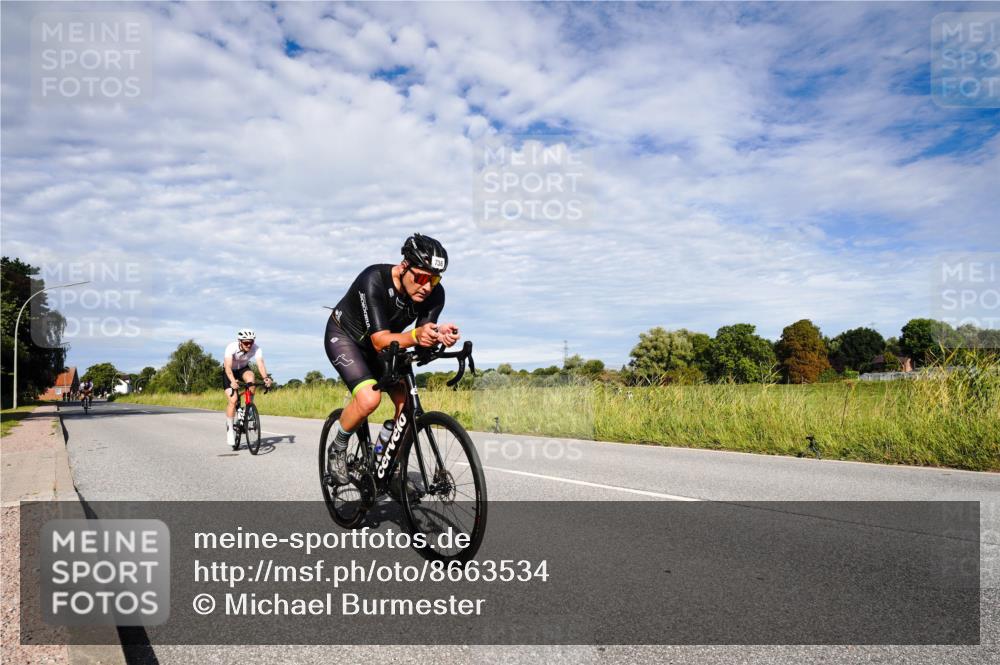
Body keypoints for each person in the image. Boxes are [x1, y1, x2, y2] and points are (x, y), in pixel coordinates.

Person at [324, 233, 460, 483]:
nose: (427, 286)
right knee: (368, 399)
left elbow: (421, 334)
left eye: (435, 279)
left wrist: (437, 335)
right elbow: (379, 339)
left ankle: (385, 459)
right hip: (347, 338)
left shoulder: (435, 294)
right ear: (404, 266)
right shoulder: (373, 279)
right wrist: (417, 335)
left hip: (386, 346)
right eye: (421, 277)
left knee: (406, 404)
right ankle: (338, 446)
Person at [222, 329, 273, 448]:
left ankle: (249, 407)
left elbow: (260, 364)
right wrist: (233, 381)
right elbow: (228, 367)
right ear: (240, 342)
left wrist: (265, 378)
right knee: (233, 400)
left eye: (251, 342)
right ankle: (230, 429)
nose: (249, 345)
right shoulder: (231, 347)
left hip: (243, 369)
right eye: (246, 343)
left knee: (252, 380)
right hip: (229, 372)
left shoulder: (256, 348)